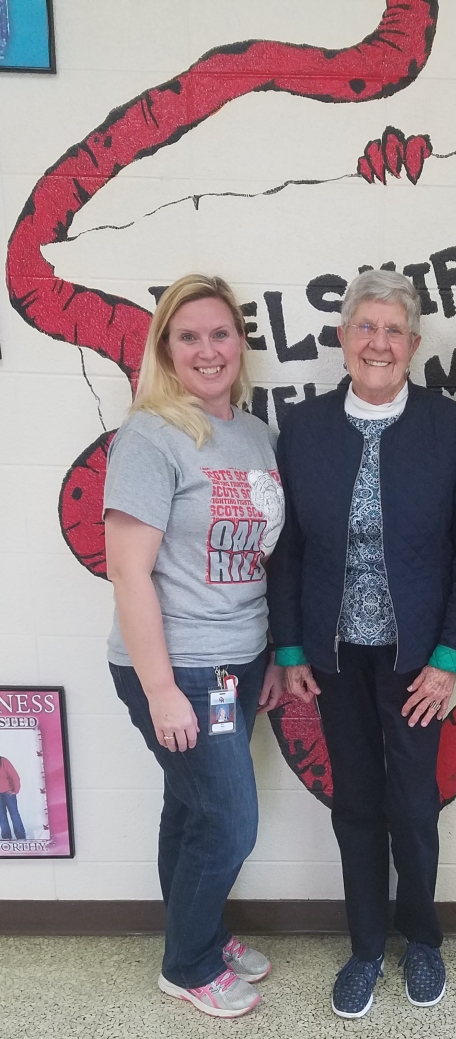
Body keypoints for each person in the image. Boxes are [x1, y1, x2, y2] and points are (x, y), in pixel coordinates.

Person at [267, 268, 456, 1019]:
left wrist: (454, 654)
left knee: (415, 804)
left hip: (416, 661)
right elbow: (289, 547)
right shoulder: (302, 430)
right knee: (356, 802)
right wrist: (292, 648)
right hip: (333, 661)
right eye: (366, 326)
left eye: (395, 330)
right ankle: (365, 946)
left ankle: (421, 936)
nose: (379, 342)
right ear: (342, 337)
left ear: (416, 345)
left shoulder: (447, 427)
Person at [104, 274, 286, 1019]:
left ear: (240, 344)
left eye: (220, 334)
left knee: (192, 807)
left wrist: (269, 656)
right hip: (176, 663)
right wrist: (160, 688)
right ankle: (188, 962)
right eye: (189, 337)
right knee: (229, 819)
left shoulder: (255, 433)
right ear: (166, 349)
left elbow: (258, 560)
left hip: (239, 659)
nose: (207, 350)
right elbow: (127, 569)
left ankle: (199, 927)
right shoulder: (150, 434)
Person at [0, 756, 26, 841]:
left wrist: (16, 790)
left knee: (14, 814)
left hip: (8, 793)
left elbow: (14, 776)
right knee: (1, 815)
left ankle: (21, 836)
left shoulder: (4, 761)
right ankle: (6, 836)